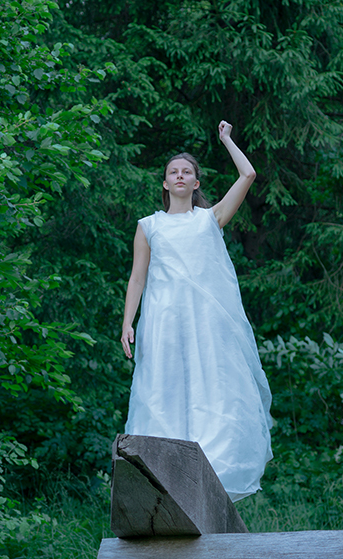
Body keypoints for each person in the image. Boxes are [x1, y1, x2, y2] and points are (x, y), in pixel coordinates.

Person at [120, 120, 273, 502]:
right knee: (162, 392)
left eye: (186, 171)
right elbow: (137, 278)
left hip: (205, 327)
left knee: (211, 391)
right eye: (173, 171)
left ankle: (209, 477)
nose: (180, 175)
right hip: (163, 324)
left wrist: (227, 139)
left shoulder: (209, 219)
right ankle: (161, 475)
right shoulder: (149, 226)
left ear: (196, 183)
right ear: (165, 183)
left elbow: (248, 174)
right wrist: (127, 322)